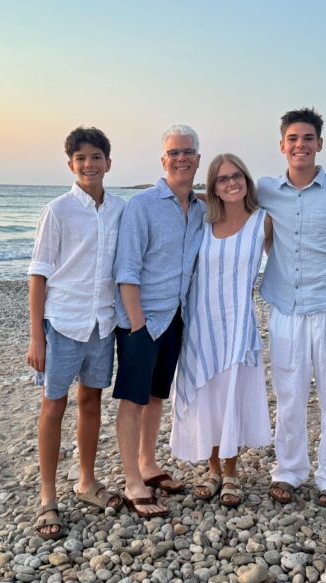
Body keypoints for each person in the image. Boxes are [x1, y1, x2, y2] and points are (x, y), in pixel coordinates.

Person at [259, 108, 326, 509]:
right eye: (292, 138)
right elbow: (224, 197)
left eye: (307, 138)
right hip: (284, 306)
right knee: (288, 393)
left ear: (319, 144)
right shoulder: (266, 190)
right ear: (282, 145)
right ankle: (288, 470)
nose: (300, 145)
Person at [25, 126, 126, 539]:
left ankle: (85, 480)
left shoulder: (121, 209)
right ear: (71, 164)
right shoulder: (58, 210)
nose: (89, 164)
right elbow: (38, 274)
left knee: (91, 402)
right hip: (63, 322)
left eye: (96, 157)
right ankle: (47, 496)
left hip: (103, 322)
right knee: (54, 405)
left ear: (108, 162)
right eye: (81, 158)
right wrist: (36, 337)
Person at [112, 124, 206, 518]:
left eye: (188, 152)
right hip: (141, 319)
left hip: (175, 316)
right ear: (163, 160)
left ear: (198, 160)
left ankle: (148, 465)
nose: (181, 158)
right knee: (133, 400)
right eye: (173, 153)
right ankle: (132, 479)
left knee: (155, 397)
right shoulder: (142, 206)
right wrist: (137, 326)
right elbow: (126, 269)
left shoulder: (201, 209)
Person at [170, 153, 272, 508]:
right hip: (200, 323)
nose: (231, 183)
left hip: (237, 323)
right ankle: (212, 470)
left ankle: (230, 473)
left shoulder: (263, 221)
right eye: (222, 178)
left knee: (231, 396)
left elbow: (289, 260)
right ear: (212, 186)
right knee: (208, 397)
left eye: (237, 176)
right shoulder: (203, 220)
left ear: (246, 180)